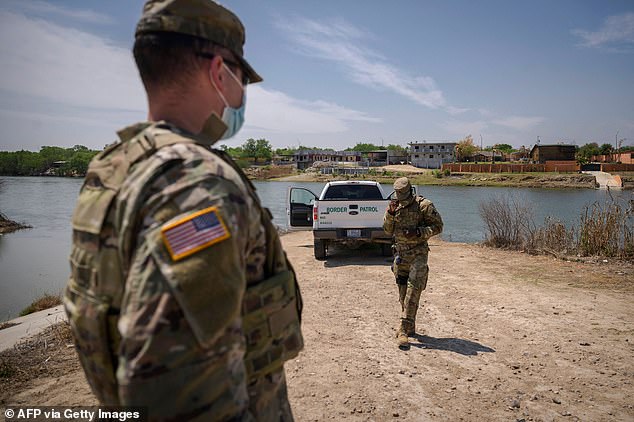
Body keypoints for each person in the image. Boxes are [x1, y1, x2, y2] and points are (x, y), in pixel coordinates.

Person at [63, 1, 303, 420]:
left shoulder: (115, 169)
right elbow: (179, 388)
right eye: (242, 79)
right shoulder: (199, 185)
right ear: (218, 71)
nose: (243, 94)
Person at [383, 177, 443, 350]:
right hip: (400, 255)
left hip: (418, 254)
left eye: (402, 192)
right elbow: (387, 230)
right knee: (403, 293)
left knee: (414, 289)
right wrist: (390, 214)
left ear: (409, 190)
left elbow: (438, 227)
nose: (399, 196)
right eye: (397, 193)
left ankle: (402, 328)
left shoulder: (424, 205)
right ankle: (410, 325)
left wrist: (418, 232)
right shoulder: (394, 207)